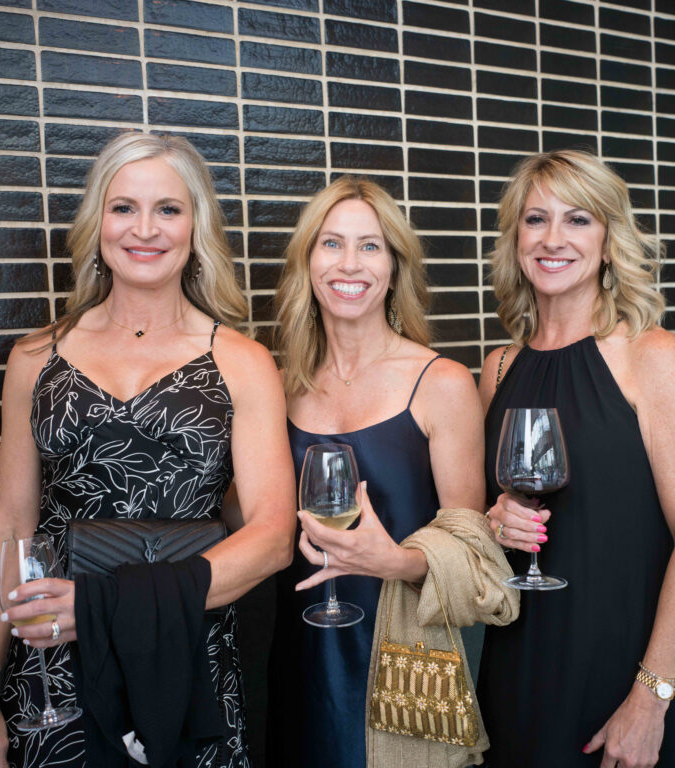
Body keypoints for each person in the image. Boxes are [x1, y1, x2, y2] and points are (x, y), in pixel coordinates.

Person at [0, 132, 296, 768]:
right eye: (123, 208)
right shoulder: (35, 358)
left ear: (195, 228)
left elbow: (274, 537)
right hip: (54, 668)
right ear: (97, 223)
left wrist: (101, 607)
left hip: (191, 657)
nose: (145, 229)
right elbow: (10, 526)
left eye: (168, 209)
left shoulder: (242, 362)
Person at [477, 150, 675, 768]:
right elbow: (486, 529)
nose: (553, 239)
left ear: (610, 242)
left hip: (621, 674)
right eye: (536, 219)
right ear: (516, 240)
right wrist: (495, 521)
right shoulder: (498, 368)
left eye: (578, 220)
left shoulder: (654, 356)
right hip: (517, 664)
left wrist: (650, 699)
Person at [264, 176, 489, 767]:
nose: (350, 263)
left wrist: (395, 561)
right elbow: (250, 516)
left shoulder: (441, 383)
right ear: (308, 262)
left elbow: (475, 557)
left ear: (394, 267)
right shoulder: (277, 385)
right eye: (332, 243)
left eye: (370, 246)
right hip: (290, 650)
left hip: (403, 655)